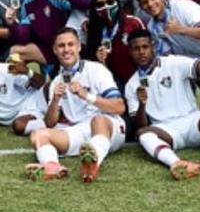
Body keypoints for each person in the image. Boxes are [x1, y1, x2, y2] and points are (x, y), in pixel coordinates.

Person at [125, 29, 200, 180]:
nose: (141, 52)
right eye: (136, 49)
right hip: (167, 132)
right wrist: (142, 104)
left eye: (145, 47)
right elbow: (140, 124)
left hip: (193, 123)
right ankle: (177, 163)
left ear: (153, 46)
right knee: (143, 134)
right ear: (130, 52)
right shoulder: (131, 84)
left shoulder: (174, 62)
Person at [26, 28, 126, 183]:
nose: (66, 50)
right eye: (61, 46)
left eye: (70, 44)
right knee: (38, 134)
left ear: (79, 46)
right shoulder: (57, 81)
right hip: (79, 130)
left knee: (98, 119)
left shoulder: (96, 70)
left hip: (109, 127)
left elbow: (119, 107)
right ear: (55, 50)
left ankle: (92, 163)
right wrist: (55, 100)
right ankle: (53, 167)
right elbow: (50, 123)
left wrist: (87, 96)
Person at [134, 0, 200, 104]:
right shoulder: (152, 27)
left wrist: (180, 29)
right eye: (144, 2)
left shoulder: (180, 6)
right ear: (140, 7)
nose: (150, 4)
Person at [7, 0, 88, 68]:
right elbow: (23, 37)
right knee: (14, 52)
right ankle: (33, 78)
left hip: (66, 46)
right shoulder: (26, 4)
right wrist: (12, 23)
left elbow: (85, 4)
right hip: (48, 50)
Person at [83, 0, 145, 88]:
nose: (106, 7)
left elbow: (148, 53)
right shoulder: (95, 30)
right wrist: (99, 60)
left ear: (117, 1)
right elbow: (92, 65)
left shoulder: (133, 23)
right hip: (114, 85)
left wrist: (144, 82)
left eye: (110, 2)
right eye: (100, 4)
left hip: (138, 81)